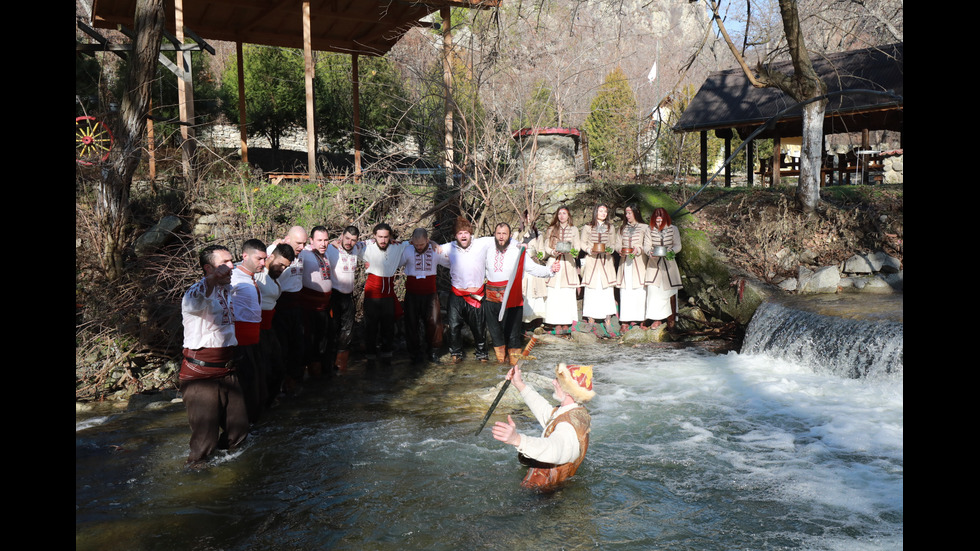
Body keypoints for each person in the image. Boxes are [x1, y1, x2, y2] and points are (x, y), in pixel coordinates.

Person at [179, 244, 249, 468]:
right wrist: (211, 280)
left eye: (231, 261)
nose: (231, 266)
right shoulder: (195, 293)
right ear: (208, 268)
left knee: (238, 430)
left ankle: (229, 471)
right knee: (204, 440)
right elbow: (198, 296)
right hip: (201, 373)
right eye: (224, 264)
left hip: (228, 369)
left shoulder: (227, 288)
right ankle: (196, 476)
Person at [491, 362, 594, 491]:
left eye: (558, 381)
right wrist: (519, 383)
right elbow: (547, 414)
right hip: (555, 487)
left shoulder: (567, 426)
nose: (553, 382)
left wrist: (517, 439)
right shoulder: (573, 411)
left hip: (549, 495)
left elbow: (554, 449)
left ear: (568, 391)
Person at [483, 223, 560, 364]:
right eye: (498, 233)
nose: (501, 237)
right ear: (495, 234)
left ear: (510, 236)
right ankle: (500, 364)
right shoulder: (487, 249)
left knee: (513, 334)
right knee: (495, 333)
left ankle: (514, 368)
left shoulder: (517, 251)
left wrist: (550, 270)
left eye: (504, 234)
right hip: (491, 298)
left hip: (512, 298)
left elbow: (533, 268)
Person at [441, 216, 497, 363]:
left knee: (479, 327)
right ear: (455, 235)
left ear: (471, 233)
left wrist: (519, 244)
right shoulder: (449, 247)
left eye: (466, 232)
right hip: (457, 294)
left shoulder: (482, 243)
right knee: (453, 326)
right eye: (460, 233)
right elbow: (431, 248)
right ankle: (456, 354)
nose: (463, 235)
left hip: (476, 294)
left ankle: (482, 355)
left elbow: (501, 238)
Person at [360, 223, 413, 362]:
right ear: (374, 236)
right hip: (372, 294)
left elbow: (417, 241)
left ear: (390, 237)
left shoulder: (398, 246)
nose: (383, 240)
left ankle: (386, 357)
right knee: (371, 327)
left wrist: (432, 242)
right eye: (380, 237)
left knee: (388, 327)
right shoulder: (366, 246)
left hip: (388, 294)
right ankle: (370, 358)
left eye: (386, 237)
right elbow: (348, 246)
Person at [229, 238, 268, 423]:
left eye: (264, 259)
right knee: (247, 385)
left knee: (258, 384)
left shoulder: (251, 276)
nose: (263, 263)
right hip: (240, 343)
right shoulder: (233, 277)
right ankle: (246, 425)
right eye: (259, 259)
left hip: (255, 340)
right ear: (245, 256)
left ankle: (256, 422)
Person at [398, 228, 449, 364]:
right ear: (412, 241)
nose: (419, 247)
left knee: (434, 323)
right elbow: (395, 262)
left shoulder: (434, 250)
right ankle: (415, 355)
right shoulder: (408, 250)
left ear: (427, 240)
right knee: (411, 325)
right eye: (416, 244)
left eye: (422, 244)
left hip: (430, 295)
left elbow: (452, 260)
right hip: (412, 295)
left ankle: (433, 352)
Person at [254, 243, 295, 406]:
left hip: (270, 328)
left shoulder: (273, 278)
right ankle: (262, 403)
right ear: (271, 257)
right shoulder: (257, 274)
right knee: (266, 369)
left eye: (285, 267)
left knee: (278, 368)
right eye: (280, 264)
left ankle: (270, 401)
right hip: (257, 330)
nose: (282, 269)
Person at [268, 226, 308, 393]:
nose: (302, 247)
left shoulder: (304, 253)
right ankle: (279, 387)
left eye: (304, 243)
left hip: (297, 306)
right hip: (280, 305)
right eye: (298, 243)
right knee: (282, 347)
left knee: (298, 346)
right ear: (287, 239)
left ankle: (293, 383)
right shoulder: (274, 251)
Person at [325, 226, 365, 372]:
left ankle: (341, 367)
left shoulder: (356, 249)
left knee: (347, 332)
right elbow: (312, 248)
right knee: (332, 330)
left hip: (348, 297)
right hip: (334, 296)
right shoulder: (331, 249)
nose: (349, 242)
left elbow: (374, 241)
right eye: (347, 238)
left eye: (353, 240)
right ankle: (328, 365)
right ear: (341, 236)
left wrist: (393, 241)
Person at [298, 226, 333, 377]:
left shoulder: (326, 253)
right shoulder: (304, 253)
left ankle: (321, 375)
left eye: (326, 240)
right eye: (319, 240)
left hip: (324, 307)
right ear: (311, 240)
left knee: (323, 342)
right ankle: (307, 376)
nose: (323, 244)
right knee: (309, 343)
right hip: (309, 308)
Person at [580, 203, 619, 336]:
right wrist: (589, 250)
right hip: (592, 261)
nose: (603, 213)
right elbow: (582, 243)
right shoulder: (587, 227)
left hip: (606, 261)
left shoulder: (610, 227)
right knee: (592, 289)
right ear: (596, 212)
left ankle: (607, 320)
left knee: (607, 290)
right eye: (601, 211)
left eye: (605, 212)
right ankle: (591, 319)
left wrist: (610, 250)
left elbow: (613, 243)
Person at [542, 206, 581, 335]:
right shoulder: (551, 229)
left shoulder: (574, 229)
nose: (562, 216)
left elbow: (577, 246)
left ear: (568, 215)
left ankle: (566, 321)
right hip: (555, 262)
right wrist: (553, 251)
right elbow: (546, 246)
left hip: (568, 263)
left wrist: (573, 252)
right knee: (554, 292)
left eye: (564, 213)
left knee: (566, 293)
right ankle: (554, 322)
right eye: (559, 213)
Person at [644, 207, 683, 329]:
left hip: (669, 265)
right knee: (654, 290)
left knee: (670, 291)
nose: (658, 222)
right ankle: (656, 319)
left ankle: (671, 318)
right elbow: (646, 245)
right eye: (656, 220)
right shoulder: (649, 230)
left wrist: (670, 251)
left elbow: (678, 246)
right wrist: (650, 252)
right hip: (654, 265)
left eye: (660, 220)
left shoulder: (673, 229)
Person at [616, 203, 650, 332]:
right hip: (625, 263)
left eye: (629, 213)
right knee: (626, 291)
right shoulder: (622, 228)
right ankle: (625, 320)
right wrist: (620, 250)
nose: (627, 215)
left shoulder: (645, 227)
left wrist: (638, 249)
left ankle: (641, 319)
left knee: (640, 290)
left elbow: (647, 244)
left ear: (636, 212)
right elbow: (617, 244)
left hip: (639, 262)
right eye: (626, 213)